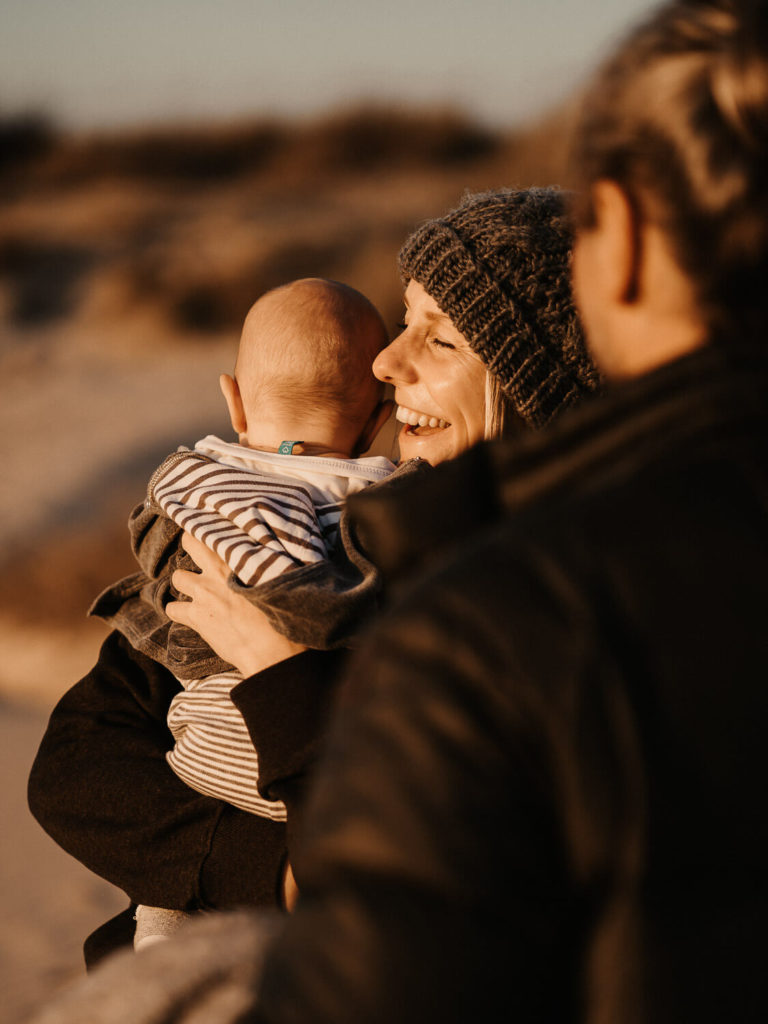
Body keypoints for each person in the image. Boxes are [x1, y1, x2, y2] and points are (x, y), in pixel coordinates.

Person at [28, 187, 598, 965]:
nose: (386, 362)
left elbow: (437, 860)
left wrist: (285, 671)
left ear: (529, 387)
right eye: (404, 321)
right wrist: (272, 873)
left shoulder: (552, 602)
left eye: (440, 343)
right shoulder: (330, 525)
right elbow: (79, 763)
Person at [86, 276, 396, 949]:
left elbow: (151, 550)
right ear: (377, 419)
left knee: (162, 910)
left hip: (199, 736)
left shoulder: (193, 477)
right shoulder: (383, 501)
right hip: (301, 753)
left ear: (233, 398)